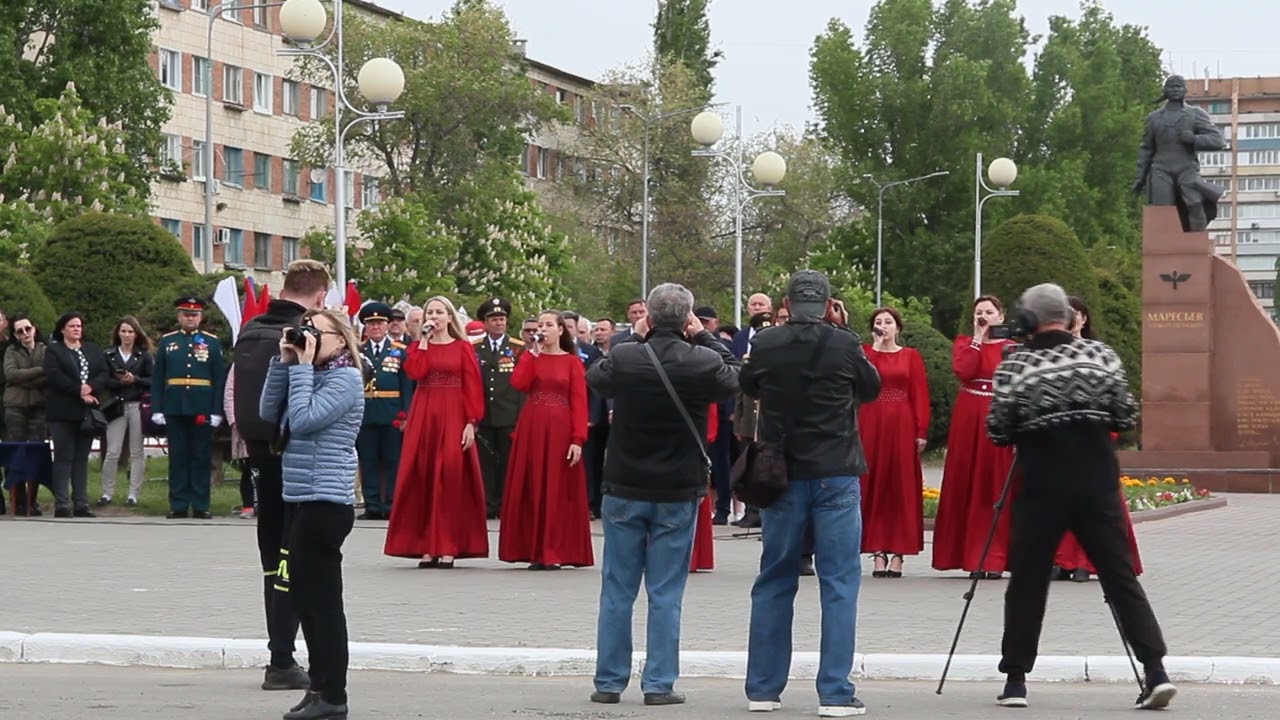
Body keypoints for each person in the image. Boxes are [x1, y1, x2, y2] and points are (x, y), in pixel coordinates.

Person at [988, 283, 1175, 710]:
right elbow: (1125, 416)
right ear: (1070, 317)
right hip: (1097, 484)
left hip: (1042, 487)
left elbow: (998, 430)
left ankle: (1016, 679)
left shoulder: (1016, 363)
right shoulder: (1101, 355)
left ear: (1029, 320)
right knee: (1119, 577)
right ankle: (1155, 671)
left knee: (1028, 581)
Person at [586, 282, 739, 707]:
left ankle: (609, 681)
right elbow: (735, 377)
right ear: (688, 318)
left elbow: (595, 377)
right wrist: (704, 335)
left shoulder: (626, 355)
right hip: (677, 488)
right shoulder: (702, 360)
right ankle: (658, 683)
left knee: (617, 589)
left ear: (648, 317)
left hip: (624, 485)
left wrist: (632, 336)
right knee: (666, 592)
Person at [739, 270, 881, 718]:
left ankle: (763, 690)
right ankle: (835, 693)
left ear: (786, 304)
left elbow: (748, 385)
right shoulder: (845, 343)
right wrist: (845, 330)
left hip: (781, 473)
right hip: (835, 471)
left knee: (775, 578)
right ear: (828, 305)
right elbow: (872, 389)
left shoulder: (766, 342)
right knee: (839, 582)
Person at [260, 308, 365, 720]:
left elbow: (303, 421)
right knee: (305, 601)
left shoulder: (346, 379)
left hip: (327, 503)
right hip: (301, 497)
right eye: (305, 331)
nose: (308, 338)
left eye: (316, 332)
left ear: (340, 340)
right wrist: (284, 361)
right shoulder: (310, 373)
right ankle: (318, 688)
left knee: (324, 607)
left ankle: (333, 695)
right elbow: (269, 411)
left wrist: (302, 368)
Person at [234, 258, 332, 692]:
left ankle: (280, 656)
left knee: (272, 560)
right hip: (295, 457)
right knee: (296, 559)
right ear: (320, 295)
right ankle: (283, 659)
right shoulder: (304, 334)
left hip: (258, 455)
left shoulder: (251, 330)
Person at [384, 296, 488, 568]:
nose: (434, 317)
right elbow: (415, 372)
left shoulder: (462, 347)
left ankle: (449, 545)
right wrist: (423, 342)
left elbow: (472, 386)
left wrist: (471, 421)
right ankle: (426, 546)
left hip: (453, 412)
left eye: (439, 312)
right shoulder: (418, 346)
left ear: (449, 317)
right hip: (425, 411)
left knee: (450, 476)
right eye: (430, 312)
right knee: (424, 475)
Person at [1052, 296, 1144, 581]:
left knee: (1094, 502)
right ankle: (1062, 560)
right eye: (1066, 313)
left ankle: (1088, 561)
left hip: (1092, 437)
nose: (1073, 318)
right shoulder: (1050, 353)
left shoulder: (1099, 352)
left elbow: (1117, 398)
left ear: (1084, 318)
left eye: (1077, 313)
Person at [497, 310, 593, 570]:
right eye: (540, 325)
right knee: (532, 484)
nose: (542, 329)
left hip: (560, 427)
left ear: (560, 330)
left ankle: (555, 550)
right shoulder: (531, 357)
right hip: (533, 425)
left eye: (549, 324)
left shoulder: (572, 362)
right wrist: (532, 354)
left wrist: (577, 439)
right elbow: (519, 383)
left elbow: (579, 402)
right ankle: (533, 549)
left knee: (557, 487)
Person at [932, 295, 1016, 579]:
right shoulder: (965, 343)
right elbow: (963, 370)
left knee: (994, 484)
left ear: (1000, 317)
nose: (983, 316)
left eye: (989, 312)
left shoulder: (1011, 348)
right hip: (969, 417)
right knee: (968, 481)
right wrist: (978, 339)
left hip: (998, 414)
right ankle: (970, 556)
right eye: (979, 312)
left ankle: (995, 557)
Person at [859, 307, 930, 578]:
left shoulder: (910, 356)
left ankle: (899, 551)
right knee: (873, 482)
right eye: (878, 322)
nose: (884, 326)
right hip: (872, 420)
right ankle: (877, 550)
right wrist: (876, 349)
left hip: (901, 422)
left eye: (888, 322)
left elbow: (919, 394)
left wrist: (921, 430)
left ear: (898, 328)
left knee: (900, 484)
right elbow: (862, 383)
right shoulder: (866, 353)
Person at [151, 297, 225, 520]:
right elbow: (158, 378)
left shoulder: (212, 343)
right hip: (174, 405)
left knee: (201, 456)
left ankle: (201, 504)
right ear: (179, 316)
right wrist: (157, 408)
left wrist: (216, 410)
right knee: (178, 456)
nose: (190, 318)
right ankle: (179, 504)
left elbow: (218, 379)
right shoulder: (168, 342)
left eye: (194, 315)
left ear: (201, 317)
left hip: (201, 405)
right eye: (186, 314)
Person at [43, 311, 110, 518]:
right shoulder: (54, 350)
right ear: (63, 329)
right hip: (62, 411)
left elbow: (103, 372)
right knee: (63, 457)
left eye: (79, 326)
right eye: (72, 326)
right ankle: (62, 504)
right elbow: (54, 375)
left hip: (86, 412)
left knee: (81, 458)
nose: (76, 329)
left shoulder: (92, 349)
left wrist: (91, 387)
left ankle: (81, 503)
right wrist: (78, 390)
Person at [355, 302, 410, 521]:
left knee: (392, 461)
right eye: (371, 324)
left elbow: (407, 385)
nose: (376, 327)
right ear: (365, 327)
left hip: (392, 414)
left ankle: (391, 504)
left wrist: (405, 414)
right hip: (366, 413)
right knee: (368, 461)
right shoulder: (358, 351)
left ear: (387, 325)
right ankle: (373, 505)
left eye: (380, 323)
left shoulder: (400, 351)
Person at [472, 297, 525, 519]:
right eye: (493, 319)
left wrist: (521, 417)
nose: (498, 323)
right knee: (485, 463)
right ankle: (488, 504)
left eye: (502, 319)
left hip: (509, 415)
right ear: (485, 322)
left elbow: (523, 386)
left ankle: (505, 504)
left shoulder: (518, 348)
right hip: (484, 415)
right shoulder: (475, 347)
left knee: (507, 462)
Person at [98, 316, 153, 507]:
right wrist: (119, 381)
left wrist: (135, 379)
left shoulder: (144, 355)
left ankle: (133, 494)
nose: (127, 335)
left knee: (137, 451)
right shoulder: (109, 355)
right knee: (112, 451)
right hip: (117, 405)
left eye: (130, 331)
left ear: (136, 334)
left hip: (137, 404)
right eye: (123, 331)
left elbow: (152, 380)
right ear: (118, 333)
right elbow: (103, 380)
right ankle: (107, 492)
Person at [4, 313, 48, 515]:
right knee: (15, 454)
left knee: (35, 454)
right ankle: (19, 500)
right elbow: (11, 375)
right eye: (20, 331)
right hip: (15, 407)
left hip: (38, 406)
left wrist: (25, 379)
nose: (25, 333)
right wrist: (39, 371)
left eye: (27, 329)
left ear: (34, 329)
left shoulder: (45, 349)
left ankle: (33, 500)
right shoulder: (11, 351)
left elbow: (49, 374)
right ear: (15, 334)